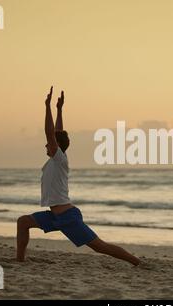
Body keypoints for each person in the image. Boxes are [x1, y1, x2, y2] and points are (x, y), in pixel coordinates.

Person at [16, 86, 141, 267]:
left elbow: (51, 134)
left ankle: (137, 262)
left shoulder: (59, 159)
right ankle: (20, 260)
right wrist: (59, 110)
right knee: (23, 222)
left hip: (68, 217)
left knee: (100, 246)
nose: (46, 145)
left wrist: (47, 107)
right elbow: (57, 133)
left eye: (49, 144)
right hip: (54, 215)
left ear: (56, 146)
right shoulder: (56, 160)